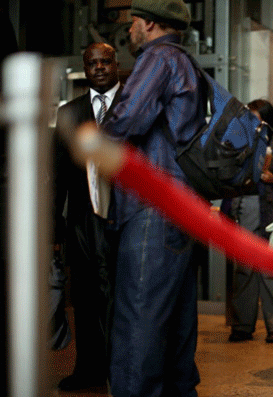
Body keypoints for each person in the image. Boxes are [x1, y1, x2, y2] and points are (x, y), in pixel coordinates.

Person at [101, 1, 204, 395]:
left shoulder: (158, 58)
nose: (129, 31)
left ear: (150, 23)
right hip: (180, 207)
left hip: (152, 207)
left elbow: (128, 118)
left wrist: (89, 142)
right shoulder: (188, 64)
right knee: (176, 326)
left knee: (138, 325)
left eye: (133, 23)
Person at [53, 42, 121, 392]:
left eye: (105, 62)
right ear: (85, 67)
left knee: (125, 297)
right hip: (83, 219)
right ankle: (89, 371)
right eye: (92, 63)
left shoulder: (133, 106)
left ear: (116, 64)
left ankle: (124, 370)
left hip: (126, 217)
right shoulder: (70, 112)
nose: (98, 68)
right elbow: (58, 175)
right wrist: (54, 229)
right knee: (85, 297)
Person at [228, 99, 273, 344]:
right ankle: (242, 325)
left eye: (257, 118)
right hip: (245, 206)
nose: (253, 124)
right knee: (243, 269)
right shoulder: (238, 142)